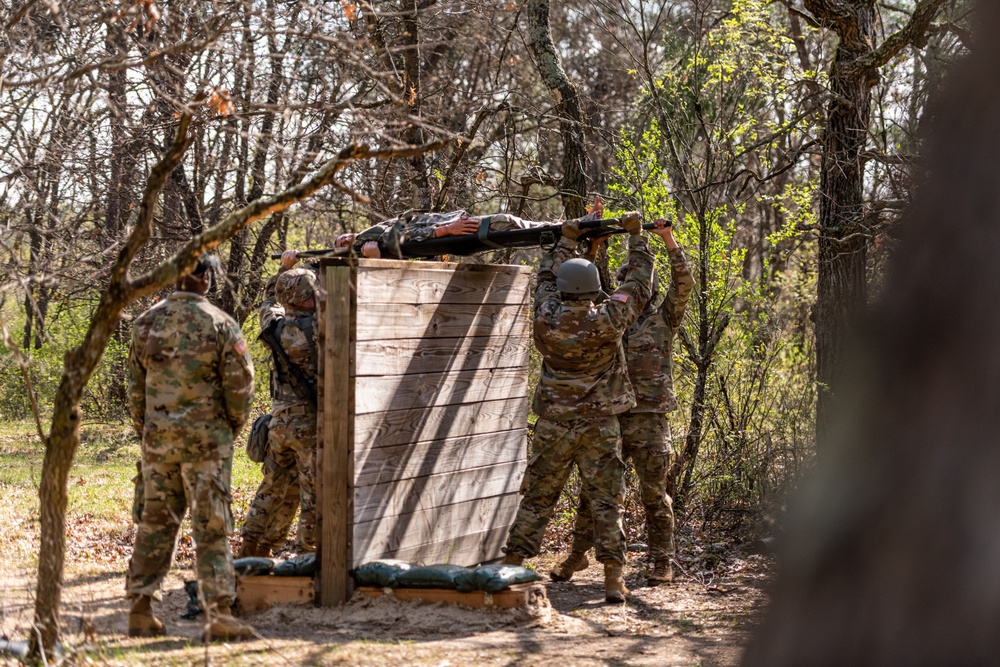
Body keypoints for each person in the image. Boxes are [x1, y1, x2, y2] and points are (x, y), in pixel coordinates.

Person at [501, 210, 654, 603]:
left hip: (554, 423)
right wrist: (637, 237)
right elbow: (638, 283)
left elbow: (546, 280)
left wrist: (567, 241)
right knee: (607, 501)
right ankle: (613, 580)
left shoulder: (546, 316)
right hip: (599, 426)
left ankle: (514, 563)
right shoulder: (609, 317)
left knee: (538, 496)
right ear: (595, 288)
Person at [552, 220, 693, 587]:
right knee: (594, 493)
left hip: (649, 418)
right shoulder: (610, 317)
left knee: (654, 494)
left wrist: (667, 239)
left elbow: (685, 283)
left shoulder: (664, 317)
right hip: (611, 414)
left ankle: (662, 560)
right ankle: (578, 555)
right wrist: (592, 251)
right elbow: (583, 291)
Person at [125, 254, 256, 641]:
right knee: (212, 528)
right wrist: (228, 429)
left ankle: (140, 609)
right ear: (203, 278)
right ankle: (219, 614)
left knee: (154, 525)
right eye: (208, 272)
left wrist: (150, 431)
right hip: (206, 446)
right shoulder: (220, 324)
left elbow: (135, 392)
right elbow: (240, 388)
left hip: (158, 445)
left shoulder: (146, 323)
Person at [239, 264, 320, 556]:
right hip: (308, 425)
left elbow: (268, 299)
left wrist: (284, 269)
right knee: (314, 493)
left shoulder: (274, 325)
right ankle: (306, 553)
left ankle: (251, 546)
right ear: (308, 296)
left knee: (271, 487)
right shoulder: (320, 328)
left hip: (278, 423)